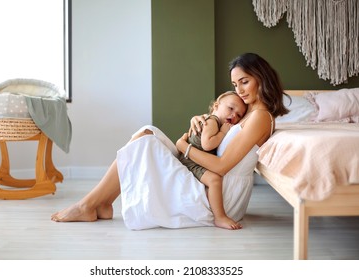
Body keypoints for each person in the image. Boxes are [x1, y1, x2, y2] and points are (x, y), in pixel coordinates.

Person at [51, 52, 289, 231]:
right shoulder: (247, 112)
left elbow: (222, 165)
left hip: (218, 196)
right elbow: (222, 132)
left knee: (146, 143)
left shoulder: (259, 117)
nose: (240, 90)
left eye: (244, 81)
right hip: (207, 179)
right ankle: (103, 203)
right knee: (147, 133)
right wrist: (204, 119)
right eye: (235, 84)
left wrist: (183, 146)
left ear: (261, 77)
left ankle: (87, 206)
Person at [178, 91, 247, 230]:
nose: (234, 115)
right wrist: (223, 133)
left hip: (193, 158)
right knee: (214, 180)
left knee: (214, 179)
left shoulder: (214, 122)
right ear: (216, 106)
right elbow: (207, 144)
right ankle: (220, 217)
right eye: (231, 108)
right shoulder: (212, 121)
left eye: (239, 115)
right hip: (190, 161)